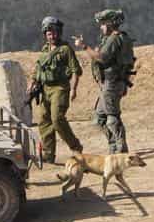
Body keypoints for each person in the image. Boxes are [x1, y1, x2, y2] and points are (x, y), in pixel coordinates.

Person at [74, 9, 134, 154]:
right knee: (100, 118)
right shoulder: (114, 38)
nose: (101, 27)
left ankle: (121, 149)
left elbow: (101, 57)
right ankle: (113, 145)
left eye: (103, 24)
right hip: (111, 83)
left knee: (112, 117)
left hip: (111, 83)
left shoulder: (114, 39)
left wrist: (83, 46)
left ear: (110, 24)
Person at [32, 16, 83, 165]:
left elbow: (75, 71)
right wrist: (33, 83)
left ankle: (76, 147)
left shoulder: (66, 50)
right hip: (45, 89)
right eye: (49, 33)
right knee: (44, 120)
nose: (52, 36)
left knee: (57, 119)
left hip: (60, 88)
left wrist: (74, 89)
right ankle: (48, 154)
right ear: (45, 35)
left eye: (54, 33)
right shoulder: (45, 50)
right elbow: (38, 69)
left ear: (59, 33)